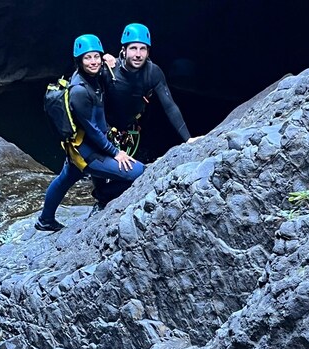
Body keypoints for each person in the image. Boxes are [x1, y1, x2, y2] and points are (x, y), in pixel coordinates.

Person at [35, 34, 145, 232]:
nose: (93, 62)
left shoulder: (94, 76)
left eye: (96, 56)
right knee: (139, 173)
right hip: (88, 151)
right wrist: (116, 153)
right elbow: (92, 130)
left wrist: (112, 59)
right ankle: (103, 195)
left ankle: (45, 220)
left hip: (81, 146)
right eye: (87, 58)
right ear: (79, 61)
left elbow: (115, 72)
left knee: (65, 179)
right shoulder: (79, 91)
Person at [101, 23, 194, 156]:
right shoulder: (108, 69)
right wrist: (100, 58)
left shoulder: (153, 72)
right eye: (133, 48)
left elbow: (170, 106)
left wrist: (188, 139)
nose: (138, 54)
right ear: (124, 50)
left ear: (148, 52)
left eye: (143, 49)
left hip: (130, 131)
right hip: (103, 129)